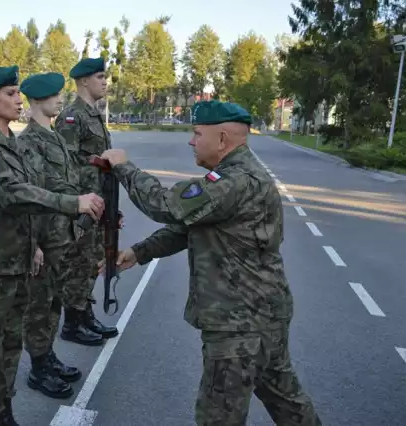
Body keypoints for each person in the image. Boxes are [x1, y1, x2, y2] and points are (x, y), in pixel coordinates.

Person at [98, 100, 322, 426]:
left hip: (237, 326)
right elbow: (191, 226)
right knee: (288, 402)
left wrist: (123, 167)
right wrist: (140, 251)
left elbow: (167, 205)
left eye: (196, 133)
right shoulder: (237, 176)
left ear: (222, 140)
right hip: (263, 317)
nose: (191, 141)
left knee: (218, 417)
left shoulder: (234, 181)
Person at [0, 65, 104, 426]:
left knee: (8, 349)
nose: (19, 99)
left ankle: (4, 414)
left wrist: (34, 243)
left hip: (15, 261)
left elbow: (30, 201)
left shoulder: (7, 143)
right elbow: (10, 193)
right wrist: (73, 203)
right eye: (10, 94)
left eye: (19, 93)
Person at [17, 72, 84, 399]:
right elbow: (30, 196)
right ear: (38, 100)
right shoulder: (28, 142)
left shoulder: (55, 135)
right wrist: (34, 244)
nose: (61, 99)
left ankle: (47, 355)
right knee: (39, 305)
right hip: (44, 237)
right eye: (55, 95)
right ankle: (38, 368)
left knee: (53, 301)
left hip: (62, 236)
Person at [54, 57, 118, 346]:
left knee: (92, 261)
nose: (105, 82)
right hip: (82, 202)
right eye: (100, 76)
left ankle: (85, 315)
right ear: (83, 81)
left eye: (105, 77)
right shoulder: (72, 116)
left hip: (99, 200)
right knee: (77, 262)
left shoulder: (94, 115)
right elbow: (64, 164)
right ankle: (72, 323)